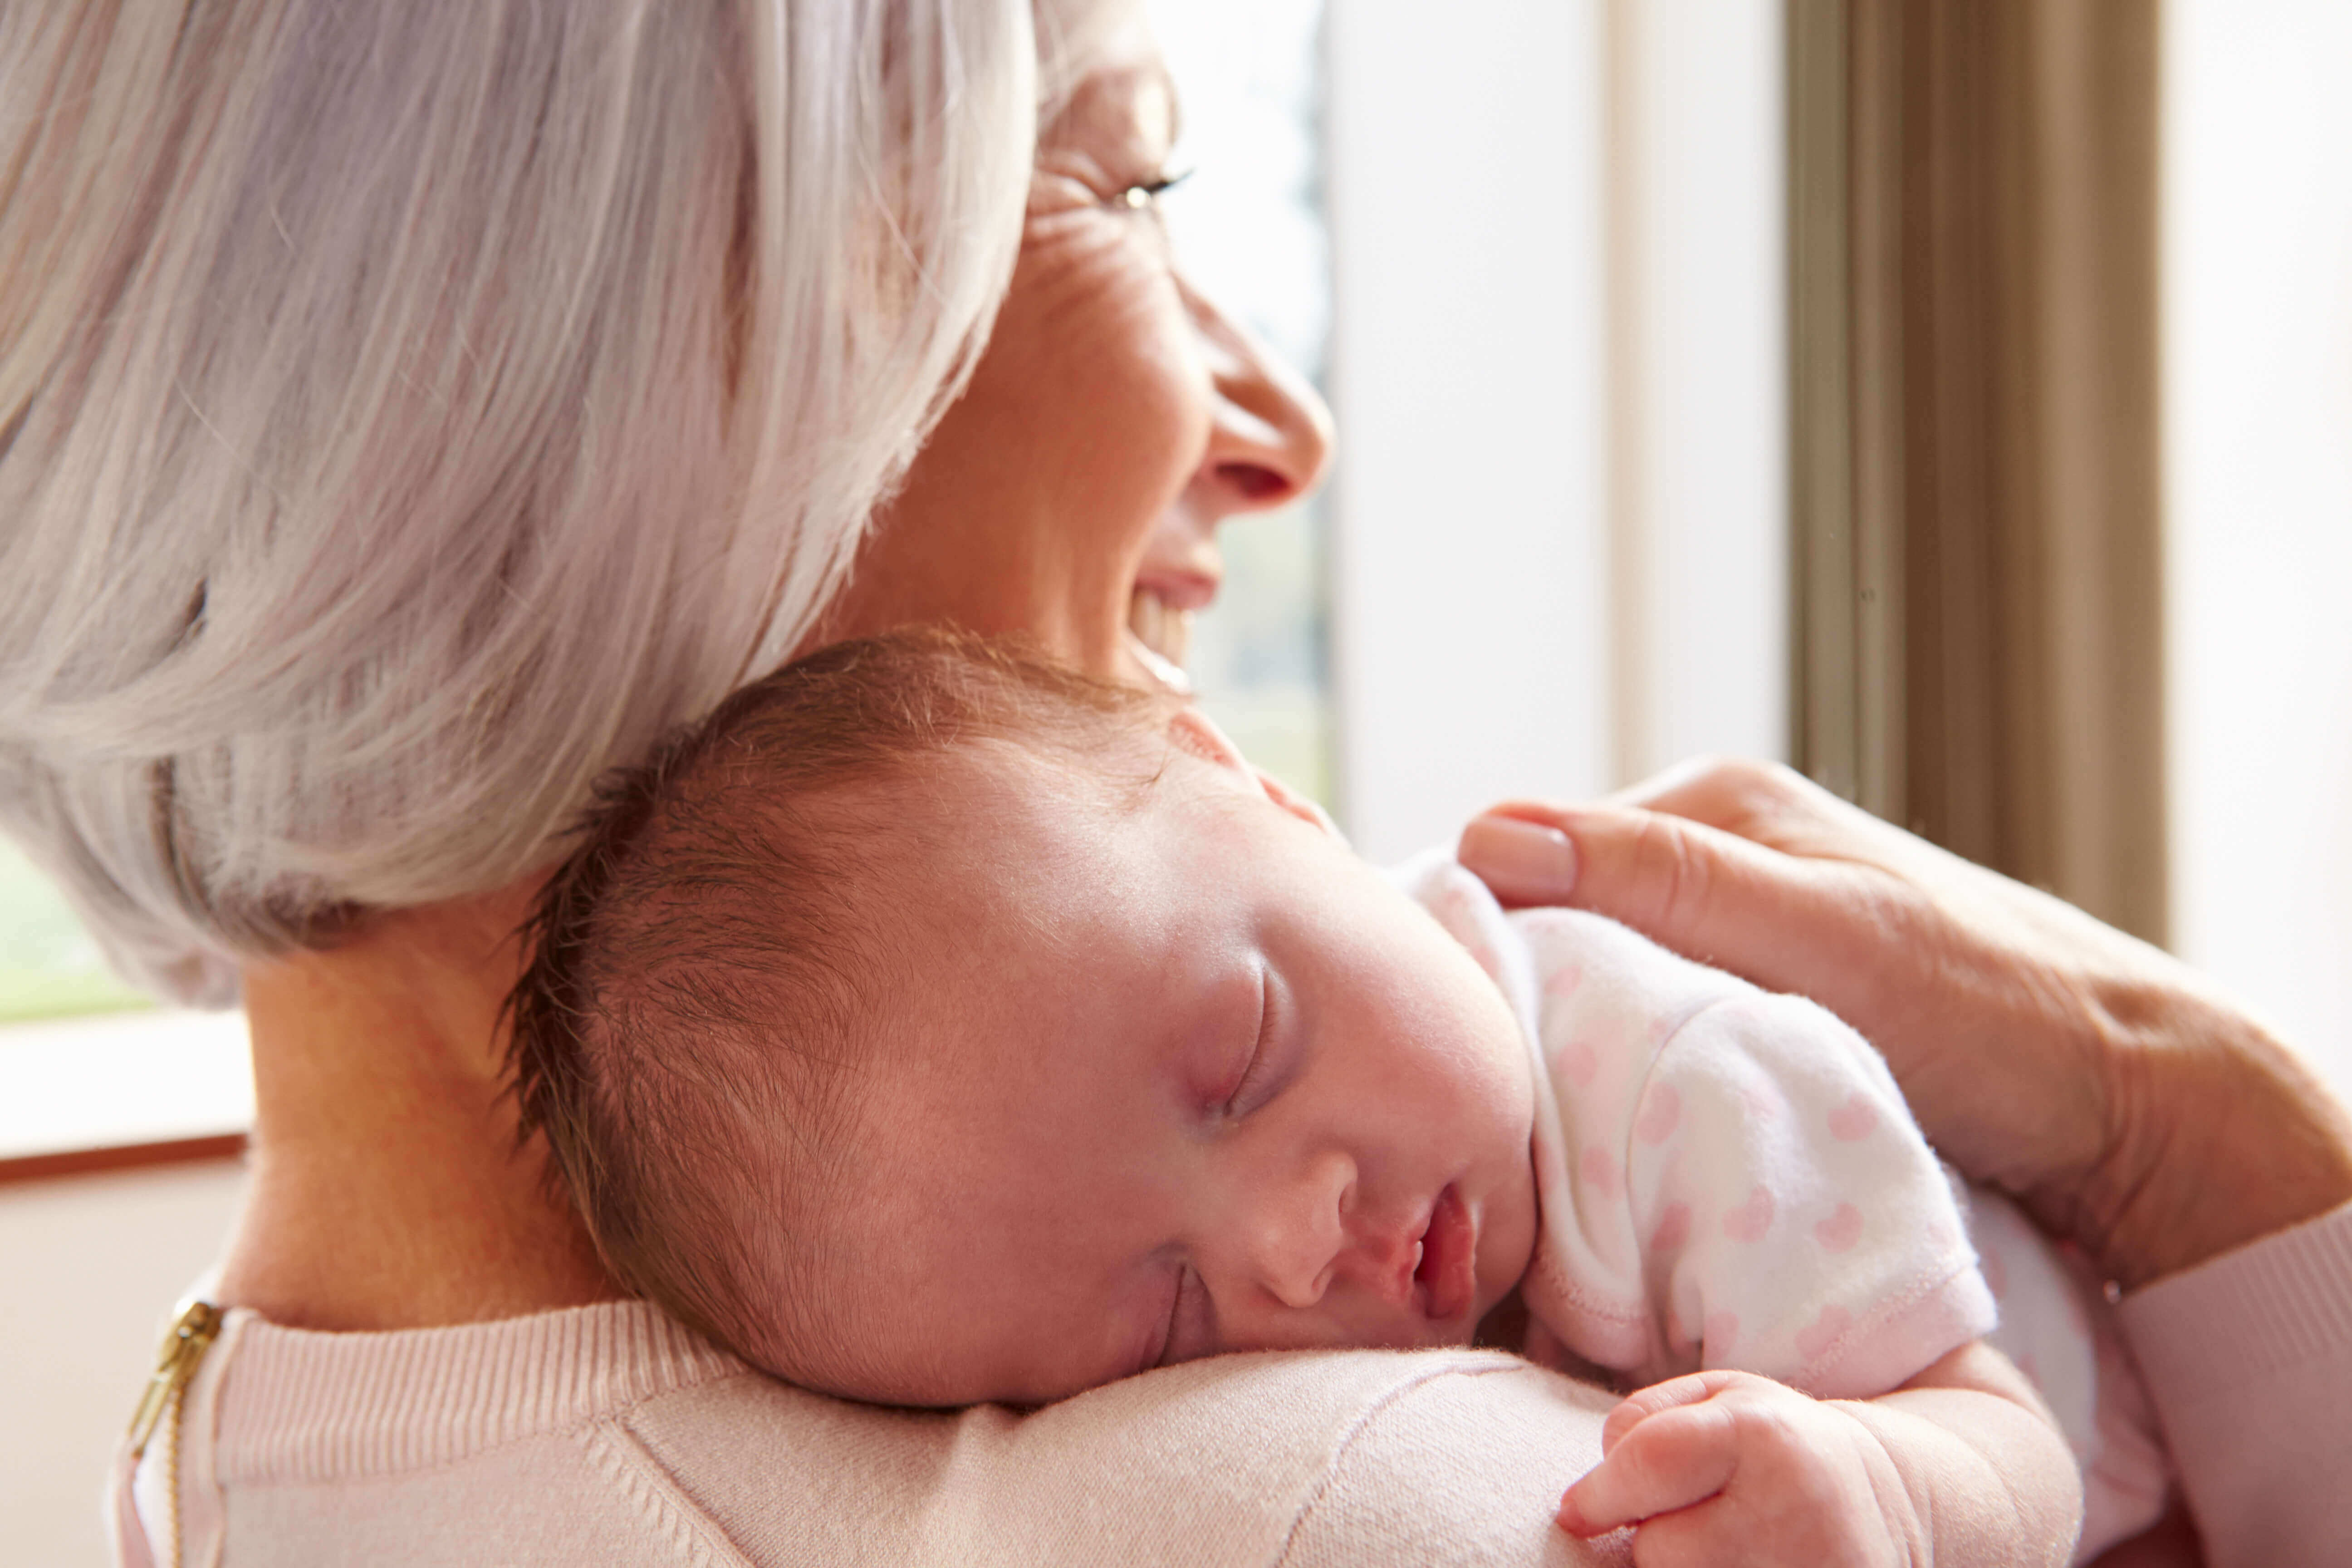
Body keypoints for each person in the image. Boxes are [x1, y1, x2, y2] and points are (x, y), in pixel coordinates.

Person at [0, 0, 2339, 1563]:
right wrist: (2216, 1135)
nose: (1281, 429)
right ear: (581, 402)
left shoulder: (238, 1449)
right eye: (1119, 191)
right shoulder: (1365, 1493)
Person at [500, 627, 2143, 1563]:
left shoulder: (1681, 1091)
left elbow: (2017, 1439)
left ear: (1264, 794)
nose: (1295, 1242)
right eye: (1161, 1320)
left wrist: (1888, 1490)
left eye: (1242, 1055)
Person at [1457, 767, 2352, 1568]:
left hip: (2100, 1426)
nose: (1316, 1225)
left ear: (1313, 827)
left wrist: (1894, 1495)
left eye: (1304, 1032)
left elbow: (2018, 1446)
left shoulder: (1657, 1068)